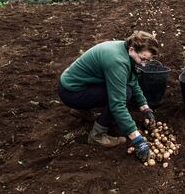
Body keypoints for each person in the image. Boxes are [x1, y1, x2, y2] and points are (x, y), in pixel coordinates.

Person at [57, 31, 159, 162]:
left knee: (124, 88)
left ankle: (81, 111)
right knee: (125, 94)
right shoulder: (118, 61)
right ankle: (97, 136)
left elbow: (132, 80)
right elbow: (118, 105)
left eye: (147, 60)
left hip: (77, 85)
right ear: (132, 49)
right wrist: (138, 140)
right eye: (143, 59)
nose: (144, 64)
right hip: (71, 93)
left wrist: (145, 108)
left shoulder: (125, 49)